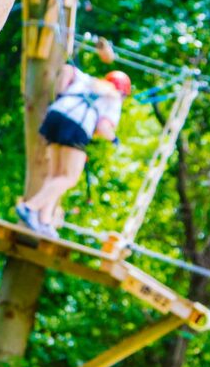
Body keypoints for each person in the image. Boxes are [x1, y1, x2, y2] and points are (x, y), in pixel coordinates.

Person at [16, 64, 131, 238]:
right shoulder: (114, 99)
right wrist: (114, 139)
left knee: (55, 175)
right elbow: (103, 126)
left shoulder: (89, 81)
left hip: (55, 116)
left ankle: (44, 221)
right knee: (69, 177)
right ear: (123, 92)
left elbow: (68, 68)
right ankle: (30, 207)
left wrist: (61, 92)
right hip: (77, 125)